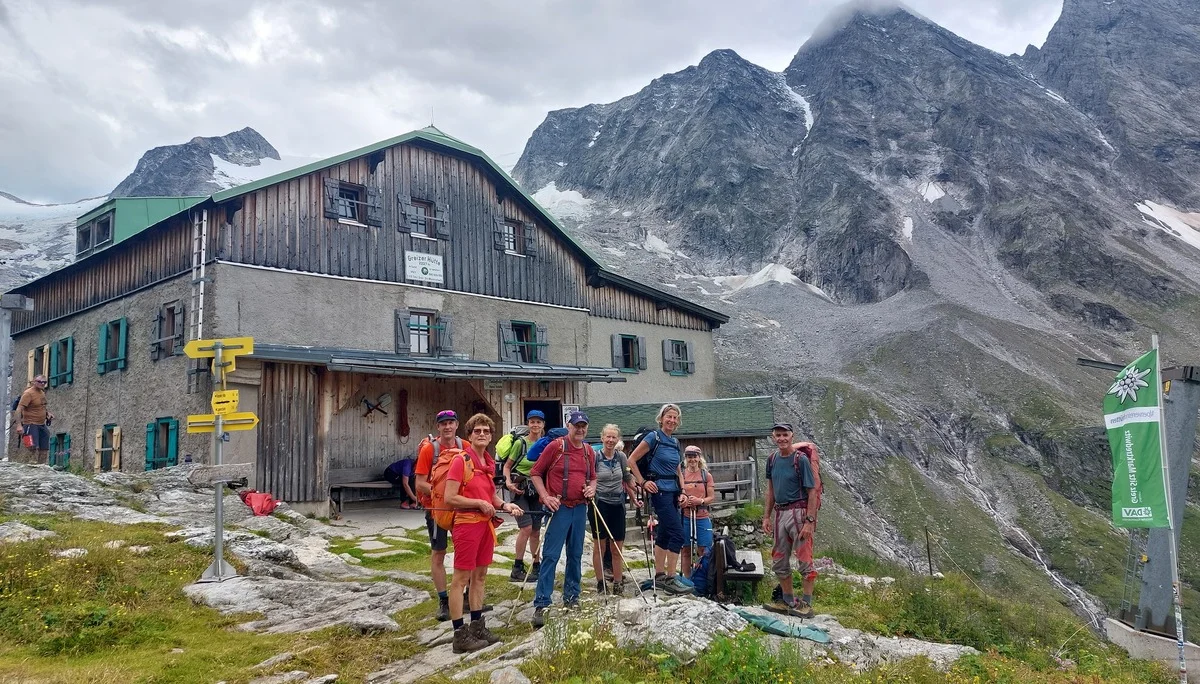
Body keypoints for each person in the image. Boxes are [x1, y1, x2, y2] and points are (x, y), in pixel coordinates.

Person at [443, 412, 524, 653]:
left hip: (484, 525)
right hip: (467, 525)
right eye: (477, 431)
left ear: (491, 436)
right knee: (461, 579)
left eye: (486, 431)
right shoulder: (462, 461)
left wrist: (505, 505)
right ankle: (459, 634)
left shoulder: (487, 464)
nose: (482, 434)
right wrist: (478, 504)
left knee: (480, 576)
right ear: (469, 435)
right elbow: (450, 497)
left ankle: (477, 626)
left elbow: (489, 495)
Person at [529, 411, 596, 627]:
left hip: (580, 508)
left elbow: (593, 477)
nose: (580, 429)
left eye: (584, 425)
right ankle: (542, 603)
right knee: (550, 556)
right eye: (577, 425)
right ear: (569, 426)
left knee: (575, 555)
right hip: (559, 508)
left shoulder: (588, 451)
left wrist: (592, 489)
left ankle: (572, 598)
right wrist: (545, 496)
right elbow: (536, 472)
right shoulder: (556, 446)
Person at [628, 403, 690, 594]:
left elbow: (678, 470)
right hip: (659, 492)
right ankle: (671, 578)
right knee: (678, 534)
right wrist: (643, 482)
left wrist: (683, 491)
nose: (671, 420)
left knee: (664, 533)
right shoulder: (653, 437)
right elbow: (631, 459)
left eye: (675, 417)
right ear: (661, 418)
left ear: (678, 422)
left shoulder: (675, 442)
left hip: (673, 492)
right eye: (668, 416)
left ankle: (660, 575)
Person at [762, 423, 822, 618]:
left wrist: (809, 521)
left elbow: (811, 491)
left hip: (799, 512)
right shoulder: (772, 459)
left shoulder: (800, 460)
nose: (781, 439)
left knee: (804, 558)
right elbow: (770, 490)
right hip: (780, 513)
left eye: (785, 435)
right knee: (779, 560)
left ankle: (806, 603)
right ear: (773, 437)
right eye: (778, 435)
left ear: (792, 436)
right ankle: (787, 601)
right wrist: (766, 516)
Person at [414, 409, 464, 621]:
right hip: (437, 510)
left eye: (451, 422)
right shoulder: (429, 450)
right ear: (438, 427)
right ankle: (443, 600)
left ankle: (467, 596)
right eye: (443, 423)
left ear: (456, 425)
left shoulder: (465, 447)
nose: (447, 427)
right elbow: (419, 483)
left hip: (460, 509)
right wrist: (444, 495)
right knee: (439, 552)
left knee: (465, 553)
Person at [589, 424, 638, 594]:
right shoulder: (595, 457)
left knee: (617, 546)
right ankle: (601, 582)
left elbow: (626, 476)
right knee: (600, 546)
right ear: (602, 438)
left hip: (617, 504)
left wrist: (636, 487)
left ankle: (618, 582)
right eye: (607, 437)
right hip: (599, 504)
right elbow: (588, 478)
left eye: (613, 437)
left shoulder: (622, 457)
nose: (610, 440)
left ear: (617, 439)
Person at [499, 409, 547, 581]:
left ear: (543, 425)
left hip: (537, 490)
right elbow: (507, 466)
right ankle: (517, 567)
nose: (535, 425)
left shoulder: (546, 444)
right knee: (525, 528)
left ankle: (536, 566)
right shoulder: (521, 443)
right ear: (528, 424)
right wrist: (508, 483)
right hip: (520, 490)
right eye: (532, 421)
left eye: (538, 422)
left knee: (535, 531)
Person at [679, 445, 715, 575]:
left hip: (702, 516)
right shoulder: (681, 475)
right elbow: (677, 495)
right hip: (686, 516)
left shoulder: (706, 476)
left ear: (699, 458)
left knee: (704, 549)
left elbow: (711, 497)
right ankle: (687, 579)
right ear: (686, 458)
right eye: (689, 457)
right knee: (686, 549)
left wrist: (700, 501)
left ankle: (703, 578)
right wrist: (684, 502)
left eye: (694, 456)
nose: (692, 459)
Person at [14, 376, 52, 466]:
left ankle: (42, 468)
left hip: (41, 424)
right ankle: (30, 468)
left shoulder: (42, 392)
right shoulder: (28, 393)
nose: (42, 384)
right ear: (34, 382)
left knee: (44, 448)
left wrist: (47, 414)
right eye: (40, 382)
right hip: (30, 424)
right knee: (32, 448)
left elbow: (41, 406)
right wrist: (19, 425)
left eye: (44, 382)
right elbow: (19, 409)